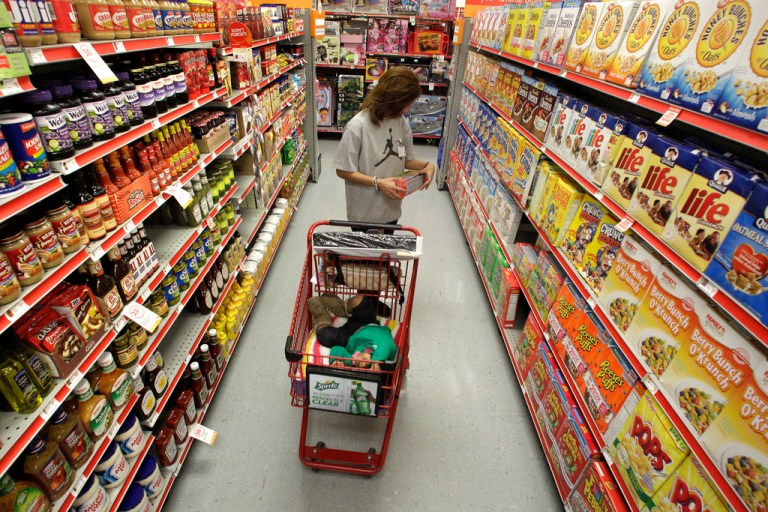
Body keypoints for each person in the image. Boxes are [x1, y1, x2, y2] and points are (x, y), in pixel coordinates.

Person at [334, 67, 436, 231]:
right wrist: (378, 183)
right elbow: (343, 170)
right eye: (404, 105)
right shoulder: (357, 126)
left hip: (391, 209)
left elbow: (407, 160)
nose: (406, 110)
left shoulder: (401, 121)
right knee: (365, 256)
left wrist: (427, 166)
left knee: (384, 255)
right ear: (390, 99)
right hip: (363, 213)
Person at [308, 294, 395, 372]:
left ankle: (321, 314)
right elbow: (386, 344)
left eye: (357, 362)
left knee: (325, 335)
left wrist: (335, 361)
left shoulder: (353, 359)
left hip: (349, 336)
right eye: (364, 359)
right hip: (369, 323)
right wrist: (376, 362)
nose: (359, 358)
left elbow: (337, 349)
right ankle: (339, 306)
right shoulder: (381, 352)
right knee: (360, 301)